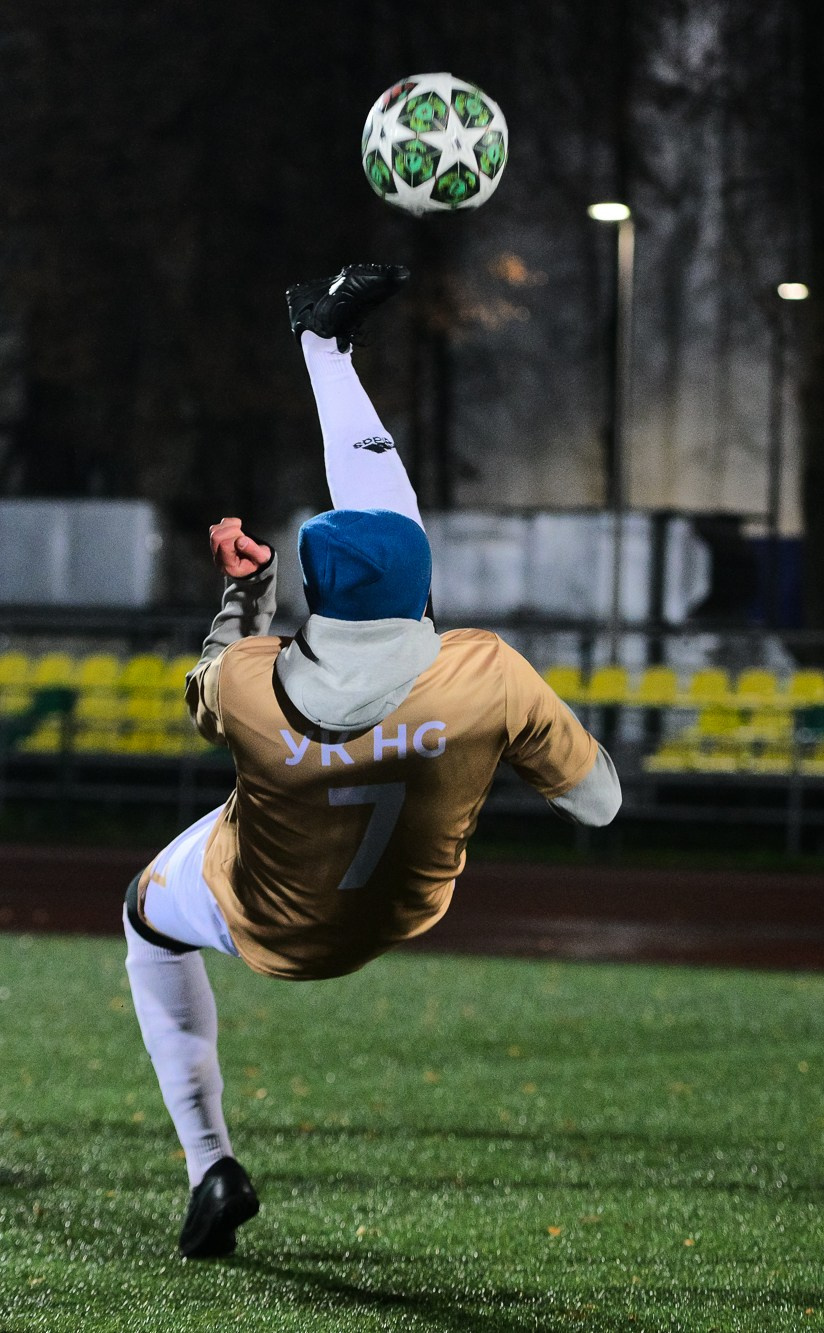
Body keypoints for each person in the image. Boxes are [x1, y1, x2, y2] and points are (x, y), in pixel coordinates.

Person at [123, 264, 623, 1260]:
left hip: (264, 916)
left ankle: (209, 1163)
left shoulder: (249, 685)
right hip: (404, 905)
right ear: (420, 596)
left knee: (142, 918)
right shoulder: (483, 669)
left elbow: (216, 670)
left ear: (318, 595)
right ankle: (322, 347)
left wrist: (247, 591)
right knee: (390, 551)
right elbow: (599, 804)